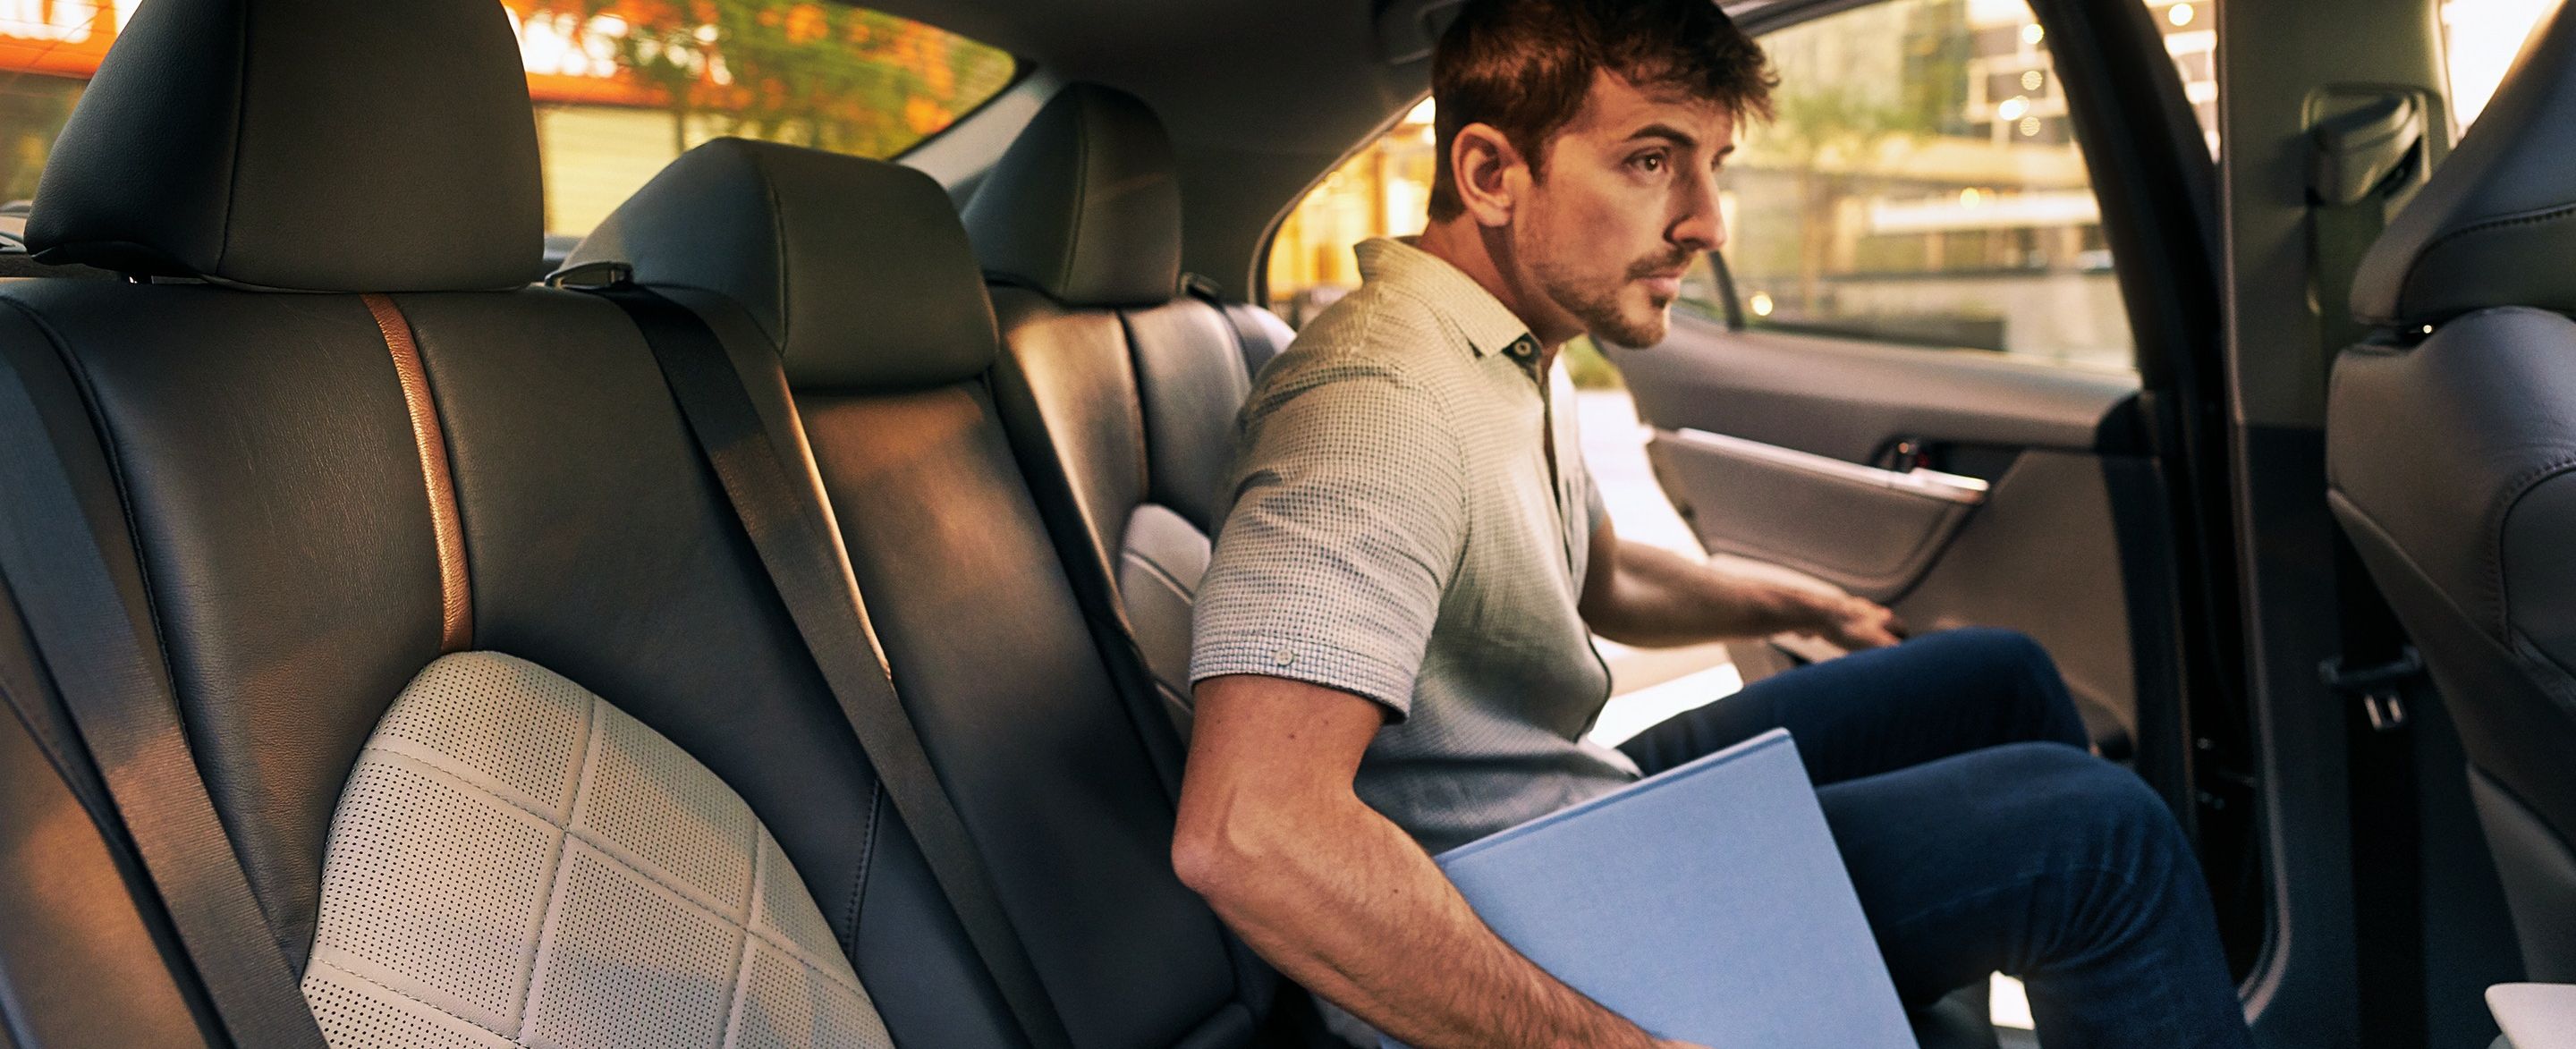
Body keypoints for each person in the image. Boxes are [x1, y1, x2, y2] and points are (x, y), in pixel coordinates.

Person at [1167, 1, 2255, 1046]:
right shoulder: (1377, 407)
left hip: (1569, 801)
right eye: (1651, 160)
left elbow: (1605, 582)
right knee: (2102, 841)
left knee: (1998, 676)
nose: (1707, 223)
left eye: (1712, 165)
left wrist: (1801, 603)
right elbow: (1252, 831)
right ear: (1492, 174)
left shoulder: (1508, 342)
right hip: (1517, 911)